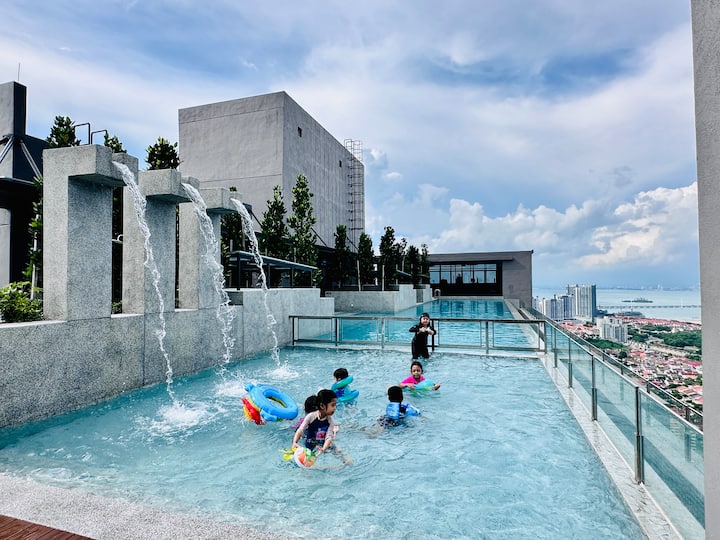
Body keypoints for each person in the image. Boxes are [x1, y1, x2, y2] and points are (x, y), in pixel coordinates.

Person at [292, 389, 340, 456]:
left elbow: (328, 437)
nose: (335, 408)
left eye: (335, 405)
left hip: (323, 445)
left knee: (338, 450)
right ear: (322, 406)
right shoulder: (311, 417)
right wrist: (294, 442)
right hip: (310, 445)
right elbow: (300, 430)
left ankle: (347, 460)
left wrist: (323, 449)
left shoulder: (330, 421)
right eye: (332, 405)